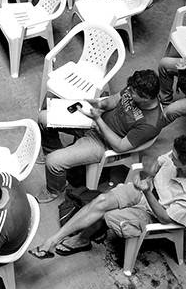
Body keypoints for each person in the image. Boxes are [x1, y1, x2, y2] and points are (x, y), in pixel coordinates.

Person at [30, 136, 186, 259]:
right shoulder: (178, 158)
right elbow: (159, 162)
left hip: (156, 212)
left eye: (175, 157)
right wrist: (149, 176)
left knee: (108, 214)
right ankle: (53, 240)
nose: (171, 156)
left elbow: (165, 218)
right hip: (146, 191)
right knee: (101, 201)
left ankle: (82, 239)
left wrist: (147, 191)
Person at [39, 69, 164, 203]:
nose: (129, 91)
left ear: (145, 97)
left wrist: (98, 120)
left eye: (133, 92)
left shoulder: (151, 123)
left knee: (53, 161)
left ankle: (54, 189)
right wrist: (96, 103)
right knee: (43, 118)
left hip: (103, 143)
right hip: (94, 121)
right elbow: (115, 100)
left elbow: (120, 146)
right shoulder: (135, 88)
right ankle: (51, 149)